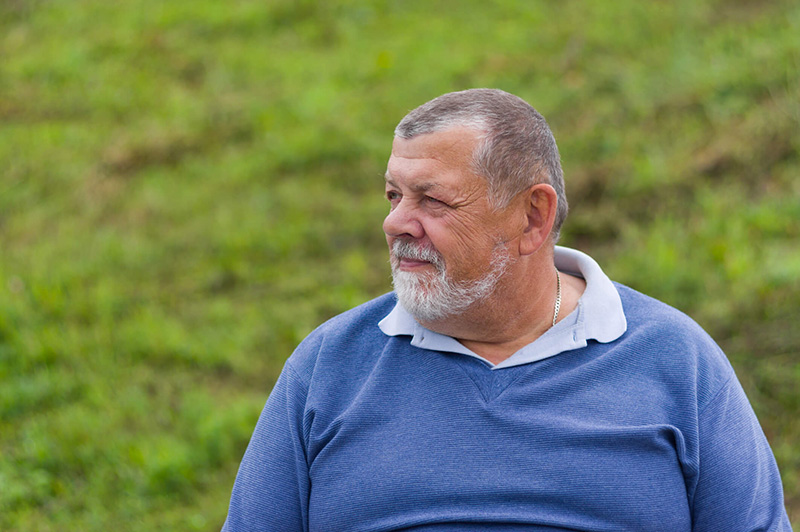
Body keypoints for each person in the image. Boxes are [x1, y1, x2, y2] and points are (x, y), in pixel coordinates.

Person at [222, 89, 792, 531]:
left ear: (531, 218)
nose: (394, 223)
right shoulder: (329, 364)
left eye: (433, 200)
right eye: (394, 195)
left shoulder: (674, 358)